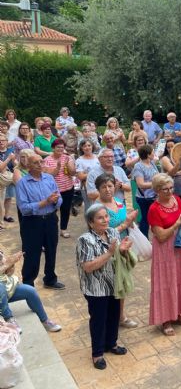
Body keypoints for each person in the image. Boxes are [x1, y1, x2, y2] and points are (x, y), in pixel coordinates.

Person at [76, 203, 132, 369]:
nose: (105, 220)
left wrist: (122, 250)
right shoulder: (85, 240)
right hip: (95, 287)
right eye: (100, 218)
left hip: (114, 283)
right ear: (91, 222)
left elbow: (119, 257)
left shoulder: (113, 232)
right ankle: (97, 353)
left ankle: (111, 344)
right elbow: (87, 266)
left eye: (106, 216)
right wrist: (109, 253)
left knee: (114, 314)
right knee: (99, 320)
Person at [148, 173, 181, 336]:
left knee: (180, 278)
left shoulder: (176, 199)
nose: (169, 192)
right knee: (165, 282)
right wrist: (179, 222)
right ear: (156, 190)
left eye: (171, 188)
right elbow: (161, 236)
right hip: (164, 249)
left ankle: (179, 312)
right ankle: (165, 319)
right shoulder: (154, 209)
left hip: (179, 245)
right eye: (165, 189)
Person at [95, 173, 139, 328]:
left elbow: (125, 221)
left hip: (123, 247)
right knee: (109, 283)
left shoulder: (119, 202)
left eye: (110, 186)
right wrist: (125, 224)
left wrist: (131, 223)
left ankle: (120, 316)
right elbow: (100, 232)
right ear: (98, 189)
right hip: (107, 249)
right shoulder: (96, 208)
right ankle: (110, 317)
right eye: (103, 187)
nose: (108, 190)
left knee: (122, 280)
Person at [16, 154, 65, 289]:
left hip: (50, 219)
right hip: (32, 223)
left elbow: (59, 197)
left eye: (41, 161)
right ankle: (28, 285)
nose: (40, 164)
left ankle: (50, 279)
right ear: (28, 166)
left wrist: (55, 202)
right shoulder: (22, 183)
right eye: (36, 162)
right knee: (31, 253)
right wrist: (45, 202)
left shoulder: (49, 178)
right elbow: (24, 208)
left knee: (51, 250)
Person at [0, 249, 62, 333]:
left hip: (7, 288)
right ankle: (9, 319)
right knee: (0, 288)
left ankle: (45, 320)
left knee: (30, 291)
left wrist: (11, 264)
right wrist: (7, 264)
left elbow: (8, 274)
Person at [43, 139, 76, 238]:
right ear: (53, 148)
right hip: (54, 190)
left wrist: (71, 163)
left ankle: (63, 229)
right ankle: (50, 229)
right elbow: (50, 175)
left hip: (68, 188)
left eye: (62, 147)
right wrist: (57, 167)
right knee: (52, 211)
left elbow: (73, 173)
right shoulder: (47, 160)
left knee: (65, 210)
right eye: (58, 147)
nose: (60, 149)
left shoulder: (67, 158)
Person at [131, 145, 158, 239]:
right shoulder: (138, 166)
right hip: (144, 198)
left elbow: (157, 175)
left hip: (154, 196)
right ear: (148, 154)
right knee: (145, 219)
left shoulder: (152, 163)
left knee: (153, 218)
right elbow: (140, 184)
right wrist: (156, 184)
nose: (154, 153)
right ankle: (144, 239)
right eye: (152, 152)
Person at [160, 141, 181, 208]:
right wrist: (179, 163)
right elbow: (172, 171)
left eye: (172, 146)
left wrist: (177, 174)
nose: (170, 149)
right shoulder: (165, 158)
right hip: (171, 188)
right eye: (168, 147)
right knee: (174, 207)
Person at [76, 139, 101, 209]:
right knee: (90, 208)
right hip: (86, 187)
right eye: (85, 146)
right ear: (81, 148)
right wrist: (95, 172)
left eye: (89, 145)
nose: (87, 147)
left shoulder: (98, 158)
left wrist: (87, 174)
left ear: (92, 146)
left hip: (100, 186)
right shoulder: (79, 160)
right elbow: (81, 176)